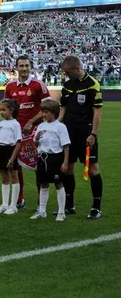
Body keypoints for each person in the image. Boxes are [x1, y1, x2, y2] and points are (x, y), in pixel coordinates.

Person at [59, 55, 103, 219]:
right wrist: (55, 126)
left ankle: (96, 207)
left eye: (68, 72)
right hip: (68, 134)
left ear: (77, 69)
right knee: (67, 168)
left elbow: (97, 112)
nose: (66, 75)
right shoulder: (67, 85)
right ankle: (69, 205)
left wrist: (93, 134)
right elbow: (63, 108)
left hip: (86, 134)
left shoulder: (92, 84)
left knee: (93, 169)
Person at [4, 55, 51, 209]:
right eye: (21, 66)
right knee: (15, 165)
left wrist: (31, 122)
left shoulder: (38, 85)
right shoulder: (10, 86)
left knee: (38, 165)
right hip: (16, 132)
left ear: (30, 67)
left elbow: (48, 108)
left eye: (26, 66)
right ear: (16, 67)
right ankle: (20, 197)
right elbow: (6, 109)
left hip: (36, 132)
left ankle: (40, 200)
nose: (24, 69)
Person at [31, 100, 70, 222]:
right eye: (42, 112)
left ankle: (61, 212)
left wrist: (65, 162)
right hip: (42, 158)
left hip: (55, 158)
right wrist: (36, 140)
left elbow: (66, 145)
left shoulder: (60, 126)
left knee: (58, 184)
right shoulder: (41, 126)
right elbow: (35, 144)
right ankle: (42, 211)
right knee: (43, 184)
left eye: (46, 112)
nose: (43, 114)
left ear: (54, 112)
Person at [0, 99, 23, 215]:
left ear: (11, 110)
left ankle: (13, 205)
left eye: (4, 110)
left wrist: (12, 159)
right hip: (0, 150)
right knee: (4, 177)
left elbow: (18, 143)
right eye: (0, 110)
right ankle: (5, 204)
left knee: (14, 176)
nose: (1, 112)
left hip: (10, 150)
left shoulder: (15, 124)